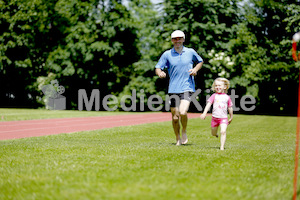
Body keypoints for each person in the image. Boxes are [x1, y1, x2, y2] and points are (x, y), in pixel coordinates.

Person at [155, 30, 204, 146]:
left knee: (183, 112)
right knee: (175, 117)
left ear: (183, 39)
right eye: (175, 39)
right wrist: (160, 73)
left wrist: (195, 70)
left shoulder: (190, 52)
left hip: (187, 87)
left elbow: (200, 61)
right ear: (172, 40)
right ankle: (177, 138)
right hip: (173, 89)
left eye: (179, 38)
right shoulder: (167, 54)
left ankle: (184, 131)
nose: (177, 41)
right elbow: (158, 67)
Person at [200, 78, 233, 150]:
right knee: (213, 133)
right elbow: (208, 104)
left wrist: (231, 117)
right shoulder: (214, 96)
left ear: (225, 87)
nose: (217, 87)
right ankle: (216, 134)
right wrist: (204, 113)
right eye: (216, 86)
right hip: (215, 119)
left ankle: (222, 147)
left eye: (219, 85)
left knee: (223, 131)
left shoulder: (227, 97)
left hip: (223, 118)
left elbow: (230, 108)